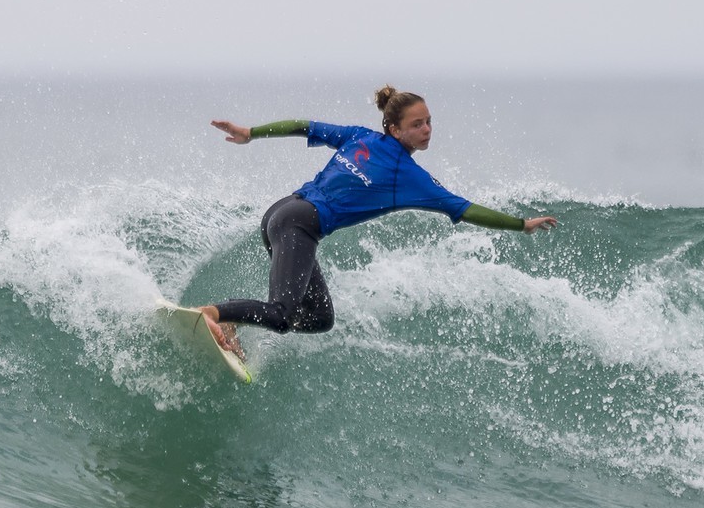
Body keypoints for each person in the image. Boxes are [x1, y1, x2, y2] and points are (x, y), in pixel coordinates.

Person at [196, 86, 558, 356]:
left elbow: (303, 125)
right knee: (279, 314)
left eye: (429, 122)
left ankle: (230, 319)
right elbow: (465, 209)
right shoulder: (406, 174)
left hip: (281, 213)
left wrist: (251, 133)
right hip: (299, 224)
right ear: (395, 129)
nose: (427, 130)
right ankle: (211, 312)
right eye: (417, 125)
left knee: (320, 318)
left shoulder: (360, 136)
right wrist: (521, 224)